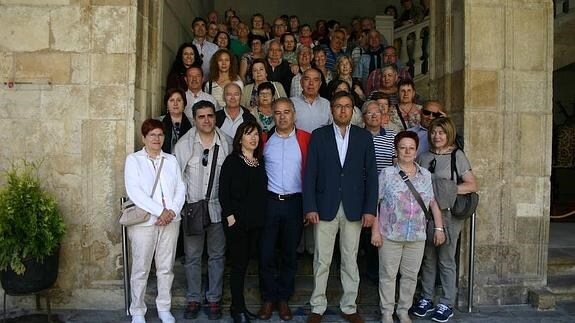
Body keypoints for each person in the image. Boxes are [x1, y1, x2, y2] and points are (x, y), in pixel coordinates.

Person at [304, 92, 378, 323]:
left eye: (347, 106)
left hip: (354, 207)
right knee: (322, 260)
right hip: (325, 206)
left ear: (353, 111)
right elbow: (310, 174)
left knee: (349, 259)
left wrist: (370, 210)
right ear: (331, 110)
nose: (343, 110)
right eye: (338, 106)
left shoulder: (364, 137)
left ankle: (349, 306)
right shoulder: (319, 136)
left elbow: (372, 176)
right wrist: (310, 206)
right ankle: (317, 307)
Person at [371, 130, 445, 323]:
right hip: (390, 234)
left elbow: (432, 202)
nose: (407, 151)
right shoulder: (387, 174)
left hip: (417, 235)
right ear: (396, 149)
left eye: (411, 148)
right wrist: (375, 230)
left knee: (411, 276)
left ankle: (403, 310)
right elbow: (375, 203)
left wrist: (439, 228)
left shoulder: (425, 175)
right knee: (388, 275)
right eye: (403, 147)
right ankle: (387, 311)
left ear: (416, 149)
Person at [411, 117, 478, 323]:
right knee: (428, 258)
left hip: (449, 214)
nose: (436, 136)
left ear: (448, 134)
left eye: (441, 132)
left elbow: (472, 185)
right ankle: (427, 298)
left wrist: (446, 191)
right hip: (427, 214)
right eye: (433, 132)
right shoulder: (423, 156)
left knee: (446, 259)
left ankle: (447, 302)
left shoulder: (457, 156)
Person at [174, 100, 232, 321]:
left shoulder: (226, 142)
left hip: (218, 209)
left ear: (215, 118)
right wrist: (181, 208)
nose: (206, 120)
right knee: (192, 257)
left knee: (217, 256)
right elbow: (176, 178)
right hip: (193, 210)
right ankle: (193, 299)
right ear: (195, 119)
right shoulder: (183, 145)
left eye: (210, 116)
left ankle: (214, 299)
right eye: (201, 117)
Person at [124, 119, 186, 323]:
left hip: (170, 222)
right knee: (140, 268)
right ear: (144, 138)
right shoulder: (134, 160)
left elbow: (180, 189)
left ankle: (164, 308)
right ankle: (138, 311)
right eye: (152, 135)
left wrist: (172, 211)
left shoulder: (171, 160)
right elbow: (135, 192)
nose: (156, 138)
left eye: (160, 135)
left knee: (166, 268)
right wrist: (160, 211)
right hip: (144, 223)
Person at [258, 98, 311, 321]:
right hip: (269, 203)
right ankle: (269, 298)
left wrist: (309, 206)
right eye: (277, 112)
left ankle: (284, 299)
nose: (282, 116)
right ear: (272, 114)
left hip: (295, 203)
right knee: (266, 254)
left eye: (286, 112)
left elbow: (313, 174)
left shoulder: (306, 139)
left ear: (294, 114)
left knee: (290, 254)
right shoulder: (263, 139)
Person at [219, 120, 268, 323]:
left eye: (256, 134)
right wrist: (231, 219)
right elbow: (223, 192)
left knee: (247, 264)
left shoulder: (260, 162)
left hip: (256, 223)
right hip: (237, 223)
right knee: (238, 266)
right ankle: (237, 309)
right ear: (240, 138)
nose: (254, 138)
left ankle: (241, 307)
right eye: (249, 134)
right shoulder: (232, 161)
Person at [292, 68, 332, 134]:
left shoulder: (326, 104)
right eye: (307, 79)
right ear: (301, 82)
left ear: (320, 84)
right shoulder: (291, 103)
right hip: (298, 143)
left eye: (315, 80)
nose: (311, 83)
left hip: (321, 143)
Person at [157, 88, 193, 154]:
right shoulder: (157, 122)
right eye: (171, 100)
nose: (175, 104)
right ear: (167, 105)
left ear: (184, 104)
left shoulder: (193, 123)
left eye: (179, 100)